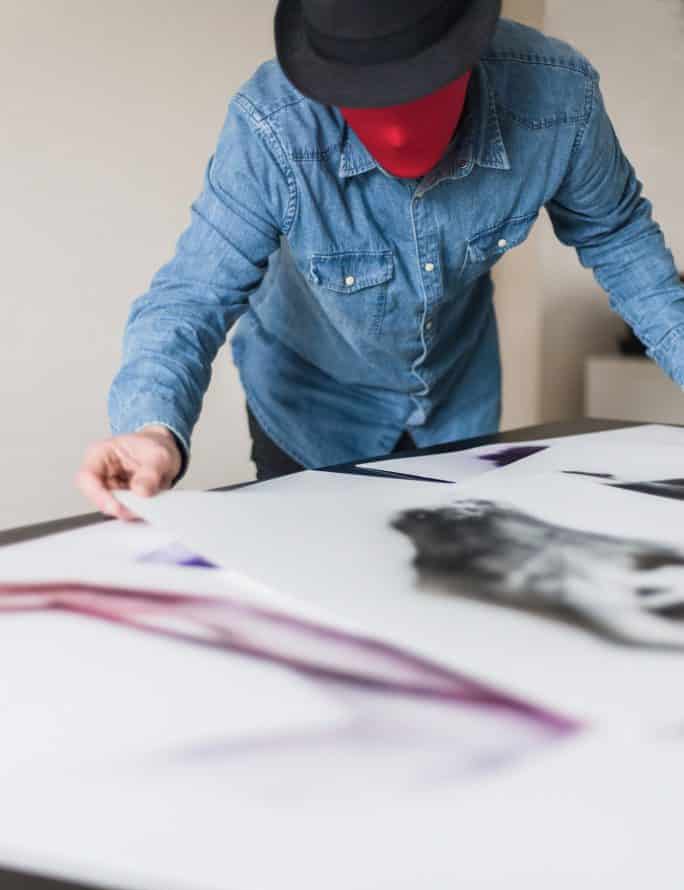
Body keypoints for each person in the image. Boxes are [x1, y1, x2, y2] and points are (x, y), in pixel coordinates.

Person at [76, 0, 684, 519]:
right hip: (309, 407)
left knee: (450, 586)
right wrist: (153, 428)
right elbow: (193, 294)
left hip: (458, 408)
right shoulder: (272, 127)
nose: (394, 130)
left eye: (417, 87)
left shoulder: (558, 101)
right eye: (364, 97)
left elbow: (620, 239)